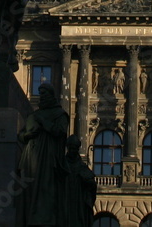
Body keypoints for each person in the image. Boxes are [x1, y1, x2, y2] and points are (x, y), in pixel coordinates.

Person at [18, 82, 69, 226]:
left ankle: (44, 220)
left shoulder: (59, 114)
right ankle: (29, 219)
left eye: (44, 94)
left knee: (46, 190)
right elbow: (21, 134)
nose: (41, 97)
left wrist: (44, 123)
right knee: (29, 190)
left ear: (51, 95)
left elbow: (60, 131)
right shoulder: (34, 115)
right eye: (40, 94)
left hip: (48, 157)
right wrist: (27, 135)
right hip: (30, 158)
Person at [64, 135, 97, 227]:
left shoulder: (82, 166)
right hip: (65, 199)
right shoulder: (62, 164)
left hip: (79, 202)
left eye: (74, 148)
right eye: (71, 148)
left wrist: (89, 182)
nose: (72, 151)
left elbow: (92, 184)